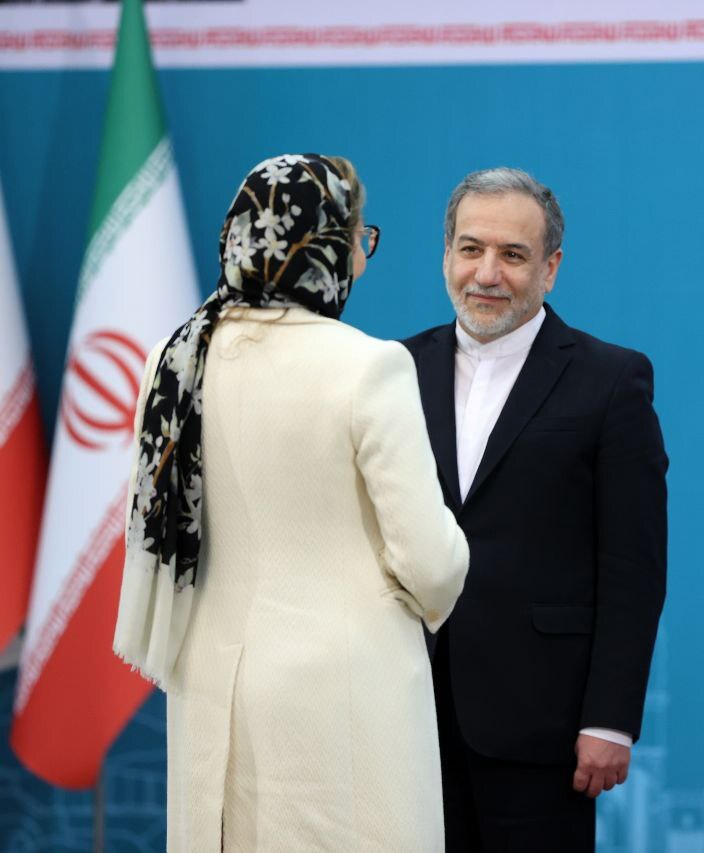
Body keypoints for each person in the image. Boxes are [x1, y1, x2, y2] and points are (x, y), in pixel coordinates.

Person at [114, 154, 469, 851]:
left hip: (210, 686)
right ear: (326, 247)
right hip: (343, 699)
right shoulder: (369, 366)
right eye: (361, 239)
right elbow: (433, 564)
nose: (362, 258)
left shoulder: (174, 361)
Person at [402, 167, 667, 852]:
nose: (487, 273)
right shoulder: (392, 372)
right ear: (446, 255)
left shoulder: (611, 379)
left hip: (543, 725)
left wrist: (610, 719)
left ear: (550, 268)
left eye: (513, 255)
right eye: (471, 249)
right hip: (404, 714)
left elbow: (633, 567)